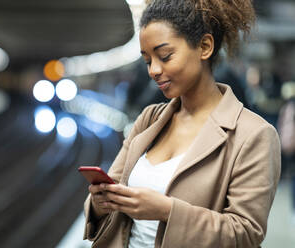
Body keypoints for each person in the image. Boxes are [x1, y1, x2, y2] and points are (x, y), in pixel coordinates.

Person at [83, 0, 281, 247]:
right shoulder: (149, 119)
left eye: (165, 56)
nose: (153, 70)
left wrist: (167, 211)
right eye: (147, 60)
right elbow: (112, 192)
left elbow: (245, 233)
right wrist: (100, 203)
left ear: (205, 47)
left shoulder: (254, 135)